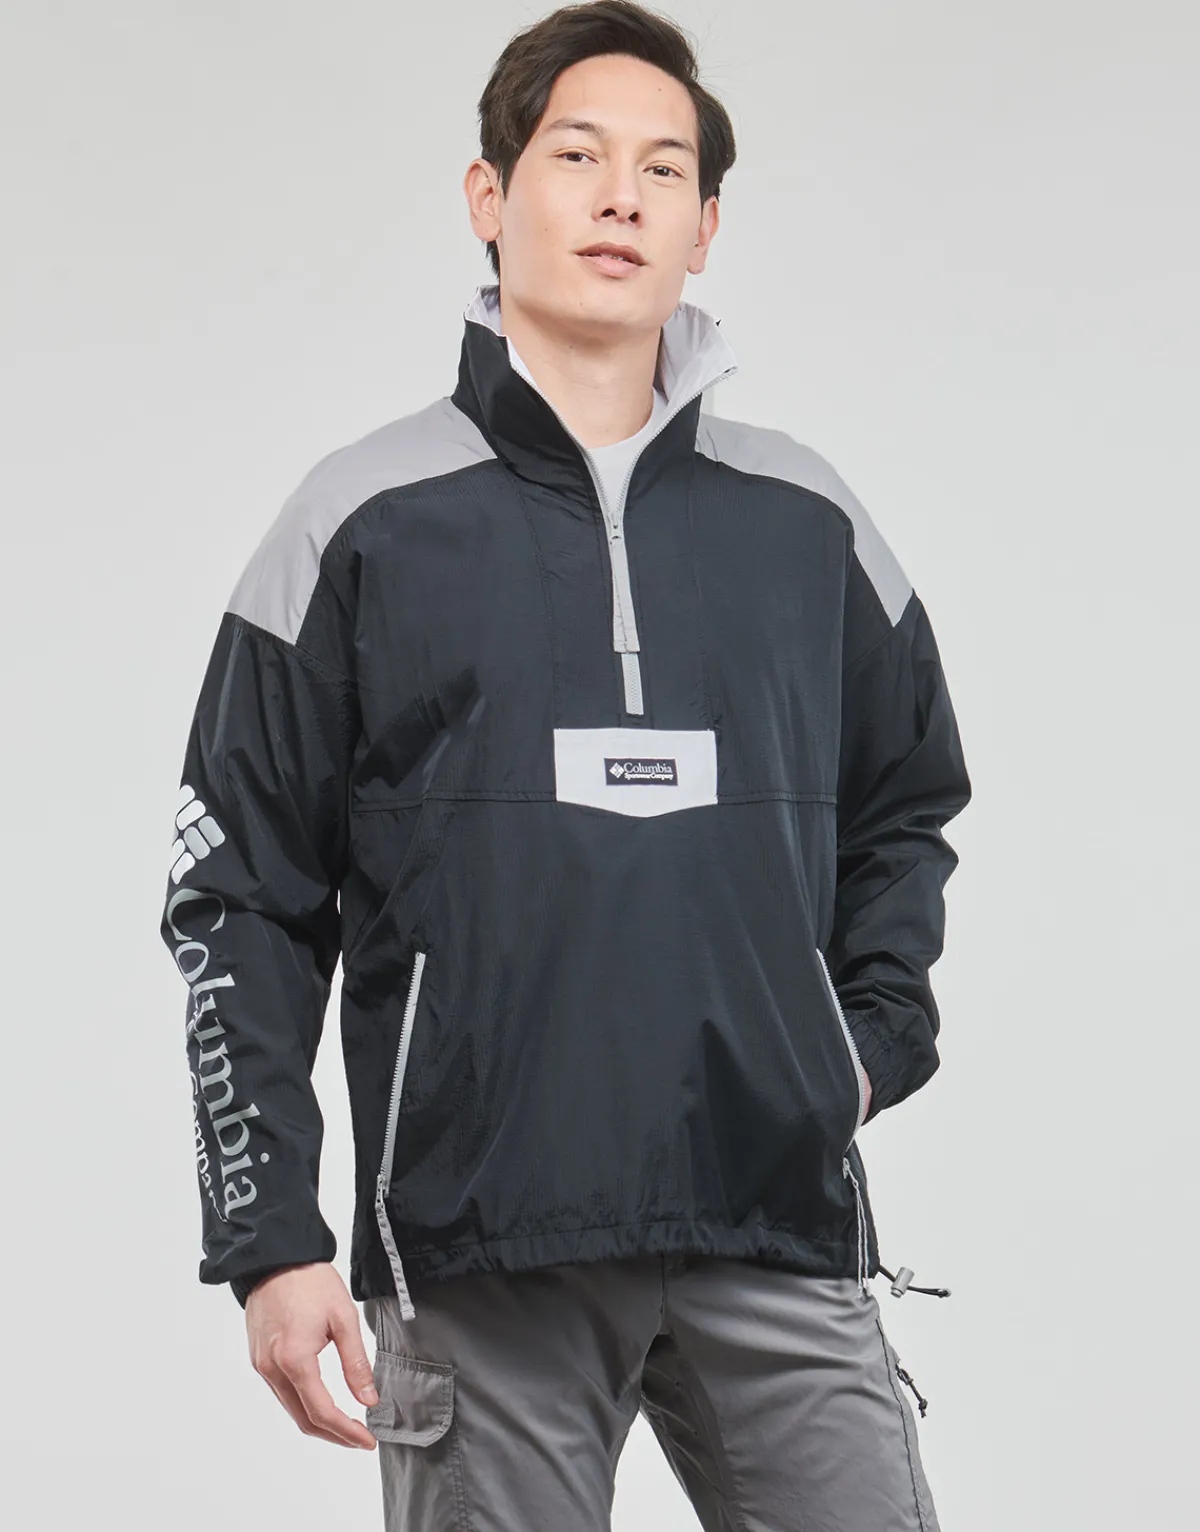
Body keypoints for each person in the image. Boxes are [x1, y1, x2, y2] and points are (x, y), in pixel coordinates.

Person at [159, 2, 972, 1526]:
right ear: (491, 195)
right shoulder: (361, 520)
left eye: (664, 170)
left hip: (771, 1217)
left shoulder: (810, 524)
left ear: (705, 227)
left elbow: (907, 808)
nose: (622, 198)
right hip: (483, 1243)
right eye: (578, 155)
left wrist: (859, 1049)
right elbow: (239, 893)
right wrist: (269, 1236)